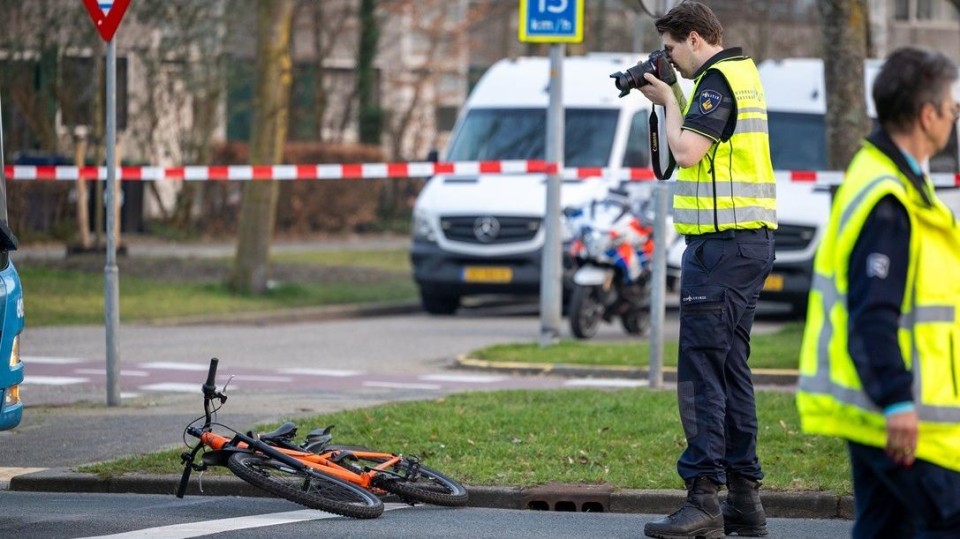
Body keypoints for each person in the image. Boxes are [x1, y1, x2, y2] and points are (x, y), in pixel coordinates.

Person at [796, 46, 960, 537]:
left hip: (883, 413)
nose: (954, 118)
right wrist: (896, 401)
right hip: (903, 419)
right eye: (952, 109)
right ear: (927, 115)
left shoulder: (883, 176)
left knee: (885, 530)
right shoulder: (889, 199)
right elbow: (873, 313)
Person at [636, 2, 777, 538]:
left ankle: (704, 499)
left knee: (700, 374)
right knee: (730, 370)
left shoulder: (716, 82)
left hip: (722, 250)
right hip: (745, 245)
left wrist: (668, 98)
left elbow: (688, 151)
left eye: (671, 50)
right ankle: (745, 499)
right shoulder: (742, 75)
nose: (668, 60)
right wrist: (672, 94)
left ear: (695, 38)